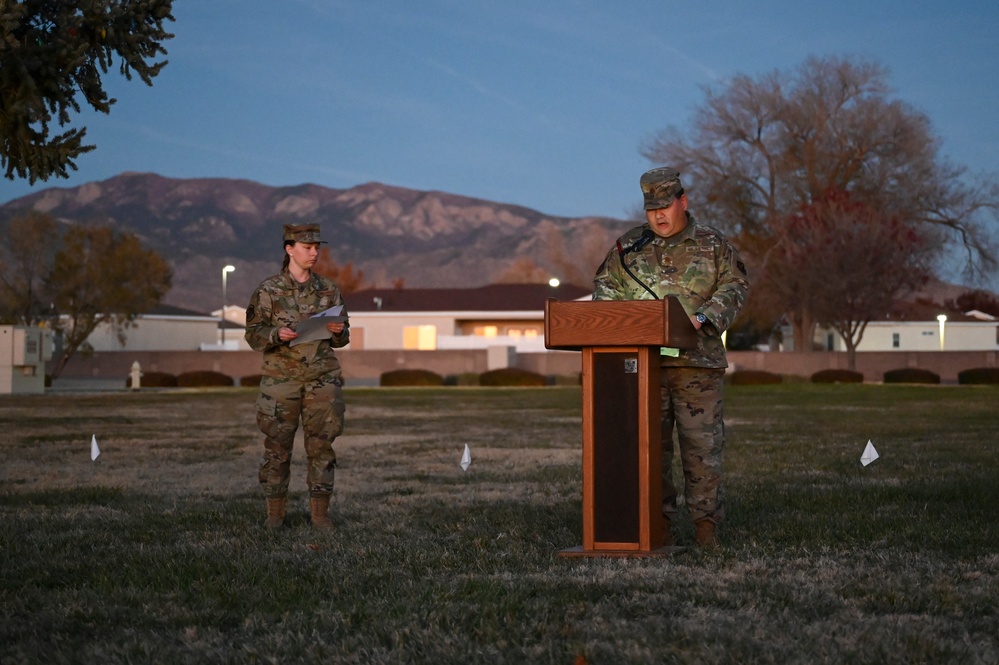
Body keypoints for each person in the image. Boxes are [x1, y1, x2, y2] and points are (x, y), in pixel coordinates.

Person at [592, 167, 750, 547]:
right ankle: (654, 526)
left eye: (665, 206)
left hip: (697, 363)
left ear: (683, 201)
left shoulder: (713, 245)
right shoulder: (628, 247)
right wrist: (621, 325)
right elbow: (604, 290)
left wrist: (702, 318)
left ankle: (705, 529)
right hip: (643, 367)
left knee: (702, 449)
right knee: (648, 450)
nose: (659, 215)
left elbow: (736, 285)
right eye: (651, 209)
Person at [244, 223, 350, 531]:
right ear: (289, 249)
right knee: (277, 448)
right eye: (307, 247)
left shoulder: (329, 290)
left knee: (322, 449)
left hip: (322, 380)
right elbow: (253, 336)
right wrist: (276, 333)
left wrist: (339, 331)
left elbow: (342, 339)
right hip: (281, 382)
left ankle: (320, 516)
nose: (314, 252)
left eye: (317, 247)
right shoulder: (268, 290)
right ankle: (275, 515)